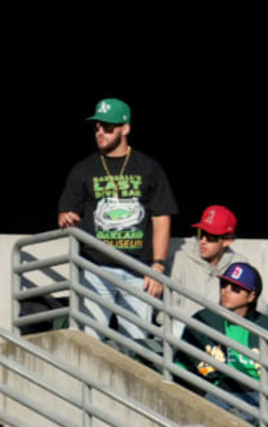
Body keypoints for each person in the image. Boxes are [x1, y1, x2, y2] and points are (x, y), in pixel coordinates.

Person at [58, 96, 178, 347]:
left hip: (138, 270)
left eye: (108, 126)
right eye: (97, 126)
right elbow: (66, 211)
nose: (100, 132)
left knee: (135, 347)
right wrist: (66, 217)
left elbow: (161, 217)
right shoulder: (84, 169)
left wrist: (157, 267)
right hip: (95, 268)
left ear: (125, 128)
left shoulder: (148, 168)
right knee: (89, 344)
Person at [177, 262, 268, 409]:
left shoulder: (267, 329)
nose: (226, 291)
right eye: (224, 284)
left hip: (256, 399)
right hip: (211, 396)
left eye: (235, 289)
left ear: (251, 296)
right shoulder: (204, 320)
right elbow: (182, 365)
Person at [165, 203, 249, 338]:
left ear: (227, 241)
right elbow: (166, 308)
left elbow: (256, 304)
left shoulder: (239, 264)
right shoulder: (180, 258)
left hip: (223, 331)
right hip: (184, 329)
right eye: (201, 233)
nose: (203, 241)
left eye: (211, 237)